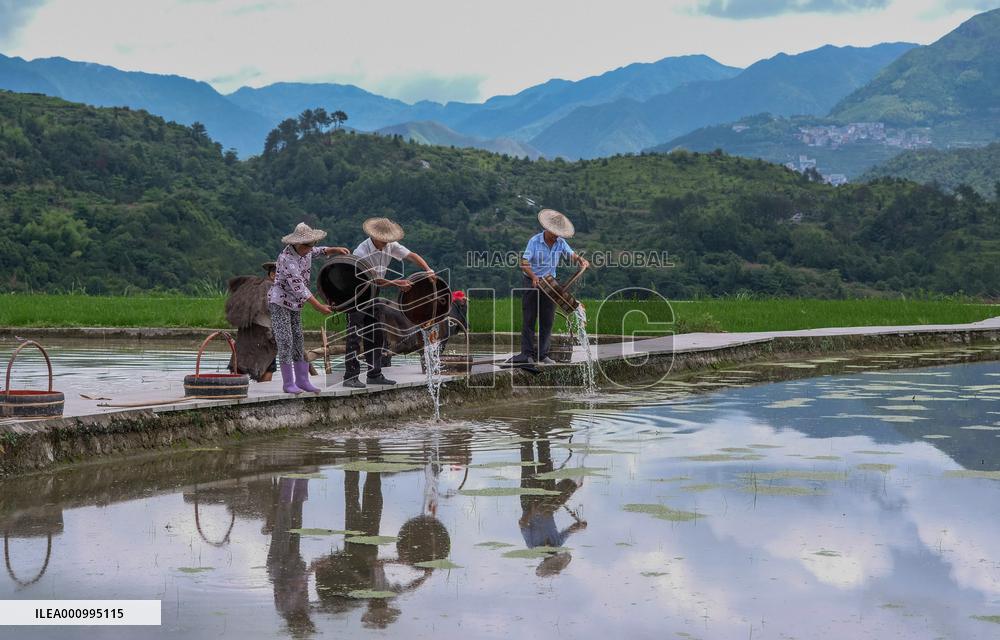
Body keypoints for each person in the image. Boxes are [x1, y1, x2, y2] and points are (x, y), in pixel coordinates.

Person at [343, 217, 435, 389]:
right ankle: (351, 375)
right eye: (384, 240)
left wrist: (428, 269)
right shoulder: (362, 252)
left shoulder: (390, 246)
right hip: (357, 291)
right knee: (354, 334)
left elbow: (411, 255)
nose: (386, 243)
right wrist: (396, 283)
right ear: (374, 237)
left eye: (388, 240)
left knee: (377, 333)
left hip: (373, 293)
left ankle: (375, 374)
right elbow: (373, 280)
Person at [269, 222, 349, 394]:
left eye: (312, 245)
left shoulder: (307, 250)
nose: (310, 249)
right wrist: (319, 306)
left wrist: (335, 249)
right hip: (280, 302)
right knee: (285, 340)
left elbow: (320, 251)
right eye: (308, 246)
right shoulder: (287, 259)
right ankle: (288, 383)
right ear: (297, 244)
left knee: (298, 339)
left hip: (295, 304)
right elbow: (299, 288)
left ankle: (303, 380)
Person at [512, 209, 589, 364]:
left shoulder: (560, 242)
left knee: (547, 320)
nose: (556, 236)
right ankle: (526, 354)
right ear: (547, 229)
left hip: (550, 284)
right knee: (529, 319)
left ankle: (543, 354)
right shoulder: (535, 241)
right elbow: (524, 263)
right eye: (554, 232)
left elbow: (571, 255)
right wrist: (534, 276)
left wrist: (581, 260)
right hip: (532, 282)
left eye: (558, 233)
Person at [226, 262, 278, 382]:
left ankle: (238, 387)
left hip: (247, 332)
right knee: (268, 366)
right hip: (263, 334)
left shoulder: (253, 286)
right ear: (273, 274)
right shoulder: (269, 288)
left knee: (239, 363)